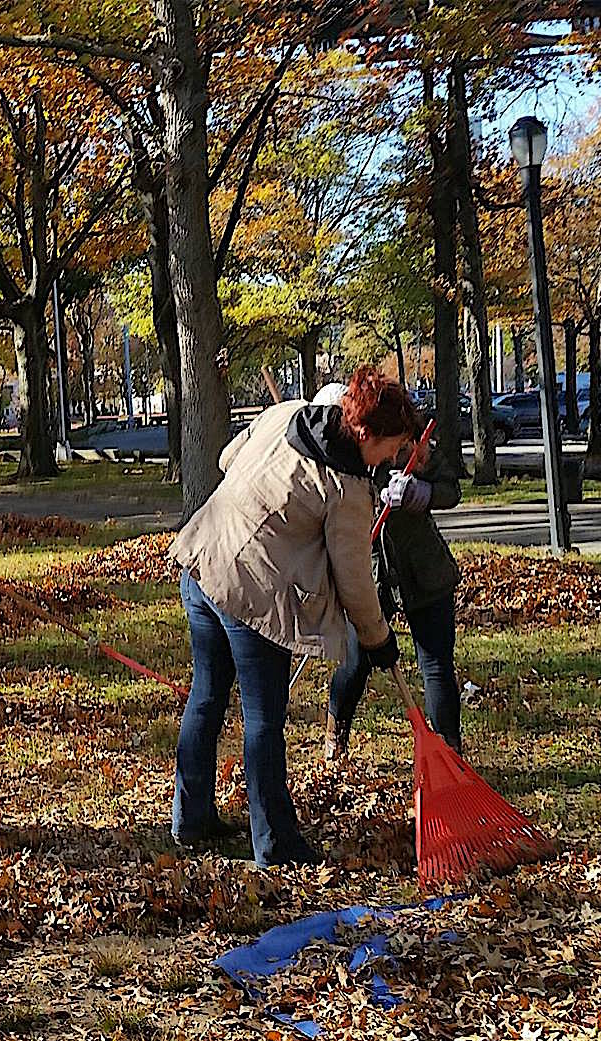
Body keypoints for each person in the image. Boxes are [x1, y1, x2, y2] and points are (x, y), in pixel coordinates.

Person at [170, 368, 422, 868]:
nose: (393, 459)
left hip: (203, 559)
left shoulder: (286, 414)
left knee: (207, 696)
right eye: (392, 447)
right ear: (365, 434)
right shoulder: (346, 489)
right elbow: (354, 580)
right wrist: (378, 640)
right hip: (250, 596)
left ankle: (190, 818)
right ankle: (275, 841)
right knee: (264, 719)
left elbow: (227, 458)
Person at [309, 382, 464, 760]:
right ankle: (335, 738)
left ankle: (449, 756)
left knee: (437, 666)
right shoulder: (335, 461)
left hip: (424, 570)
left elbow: (451, 489)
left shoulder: (408, 442)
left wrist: (419, 493)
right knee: (355, 663)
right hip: (367, 575)